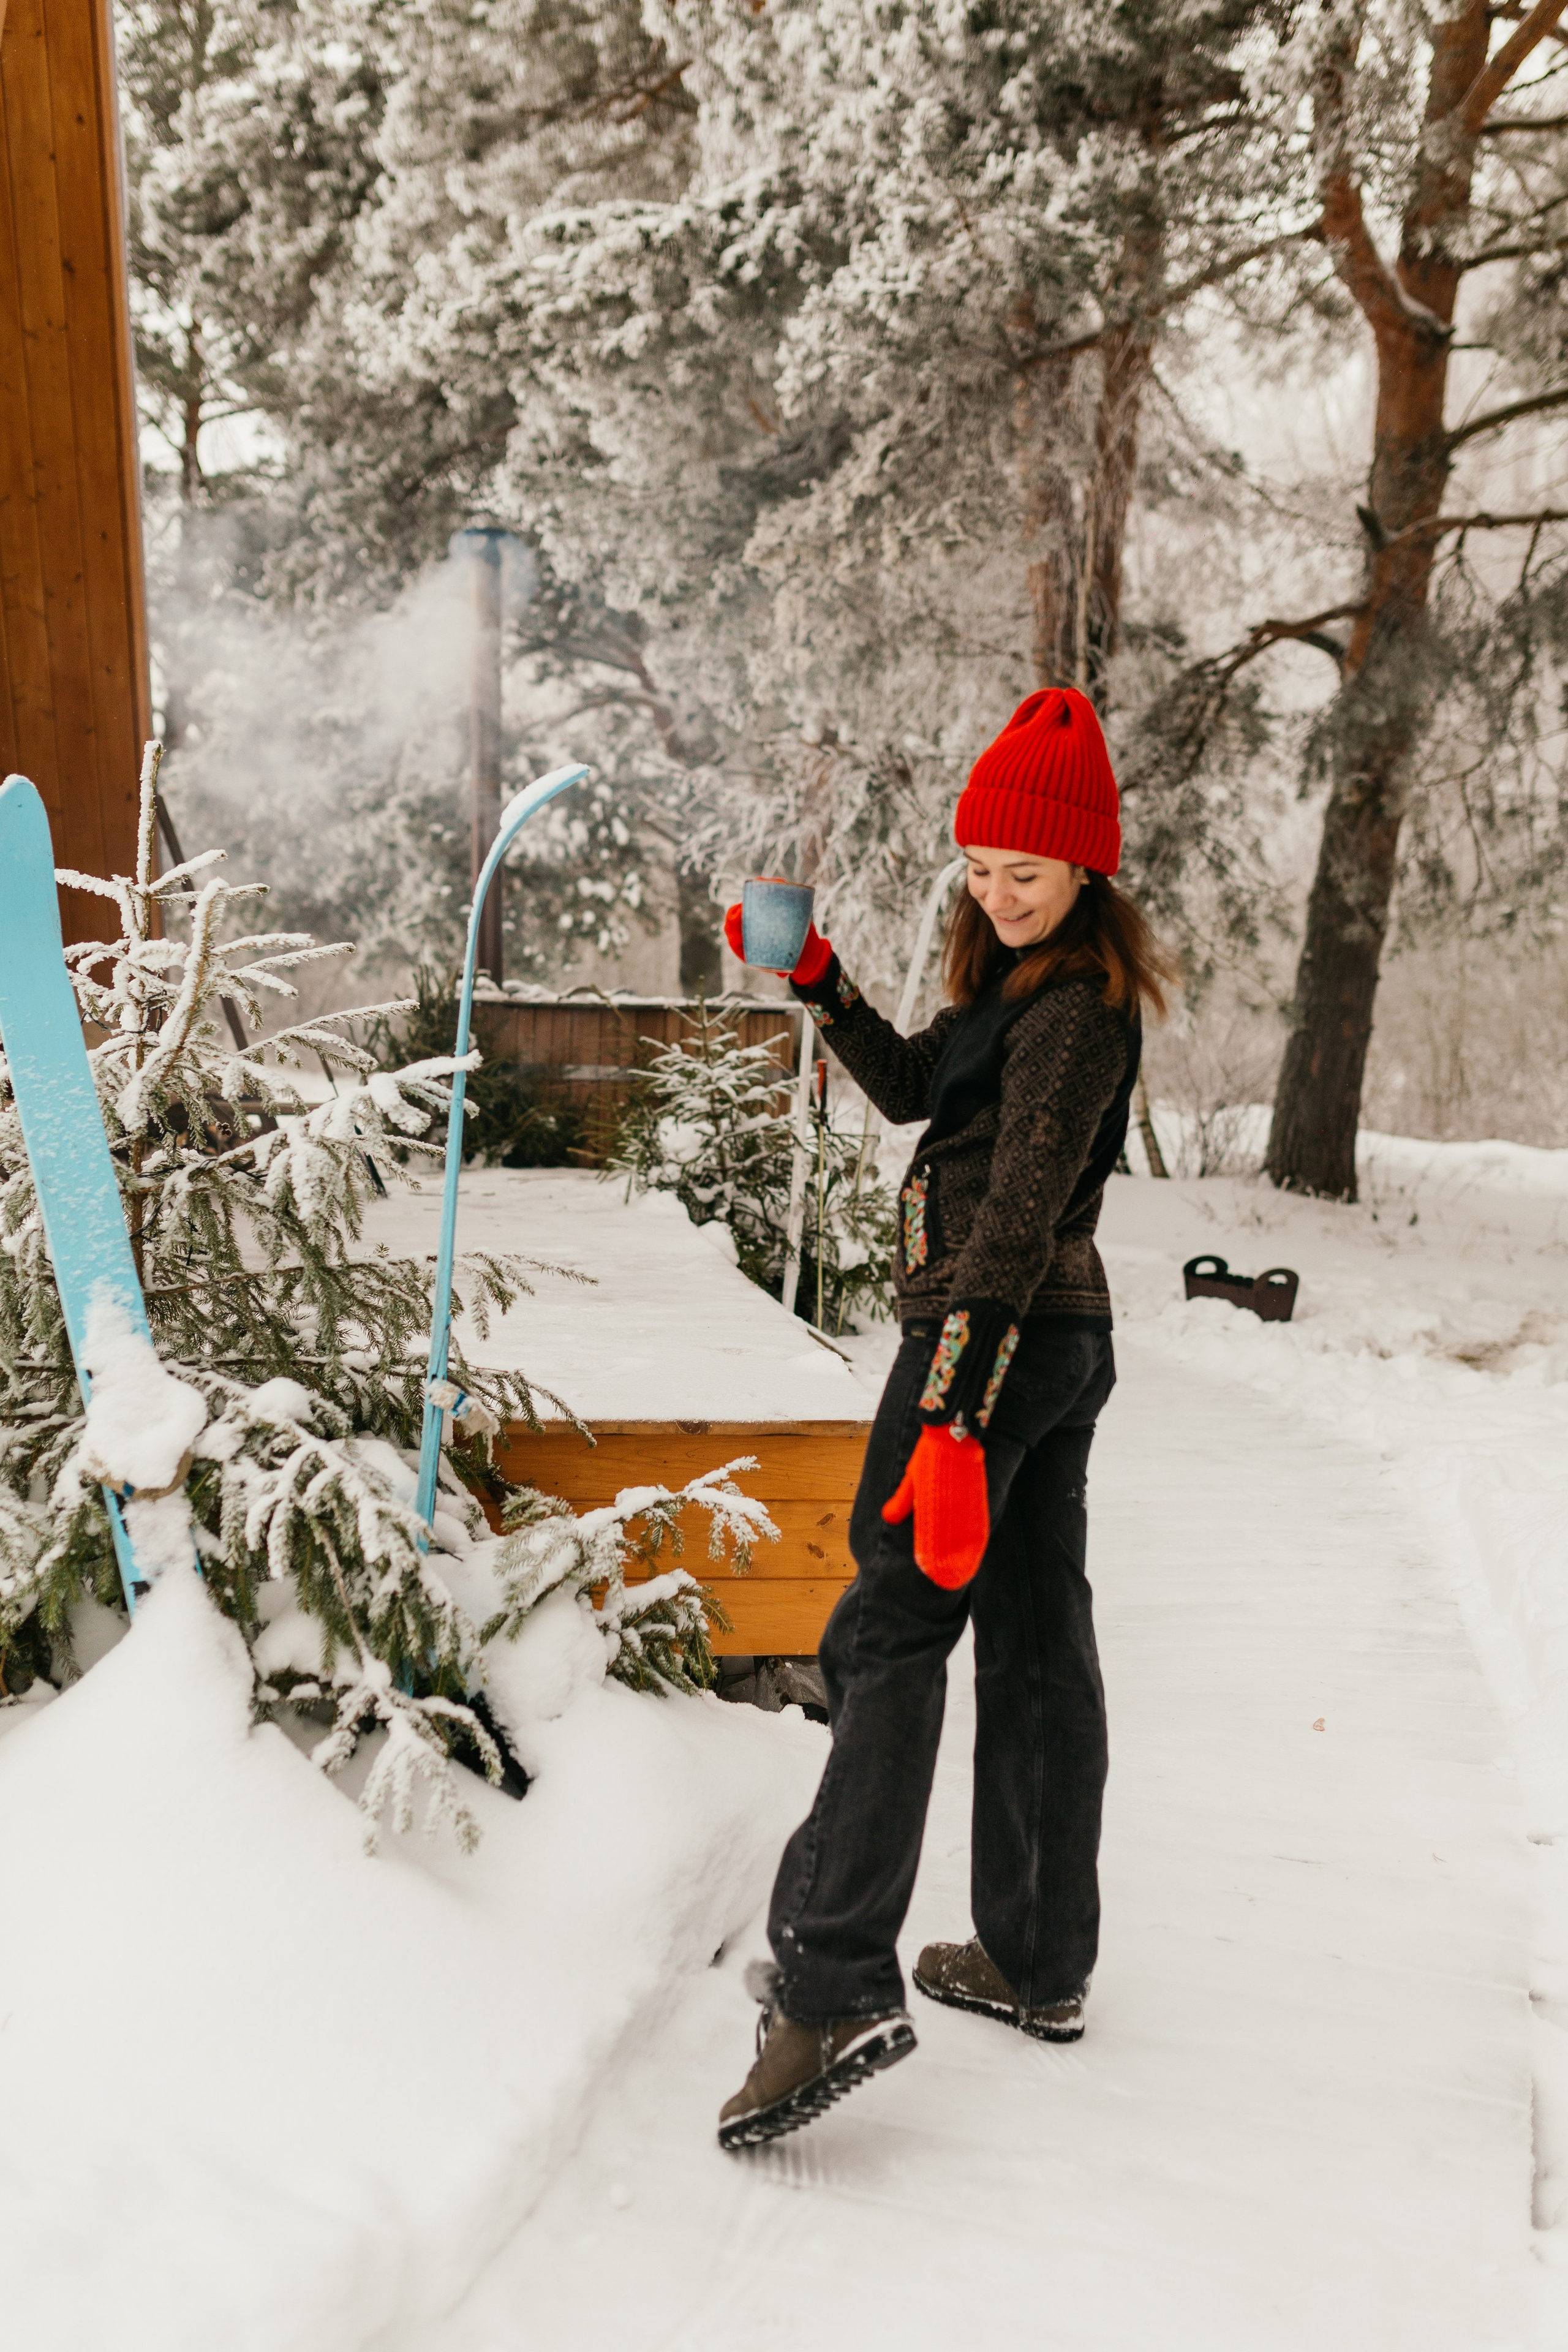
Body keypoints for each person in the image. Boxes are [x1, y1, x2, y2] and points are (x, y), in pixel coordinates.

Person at [715, 687, 1175, 2152]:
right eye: (978, 867)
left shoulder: (1079, 1013)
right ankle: (1035, 1959)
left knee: (887, 1628)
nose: (996, 892)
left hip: (994, 1332)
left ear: (1088, 873)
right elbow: (921, 1093)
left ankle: (833, 1975)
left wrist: (956, 1411)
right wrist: (823, 983)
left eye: (1024, 874)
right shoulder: (1013, 991)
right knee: (1035, 1633)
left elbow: (1020, 1200)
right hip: (1049, 1341)